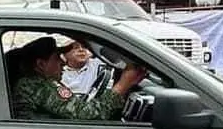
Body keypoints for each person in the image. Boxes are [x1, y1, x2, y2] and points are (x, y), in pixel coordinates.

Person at [12, 35, 145, 121]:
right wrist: (122, 85)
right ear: (41, 64)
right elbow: (87, 115)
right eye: (57, 58)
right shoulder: (38, 86)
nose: (62, 62)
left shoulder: (31, 83)